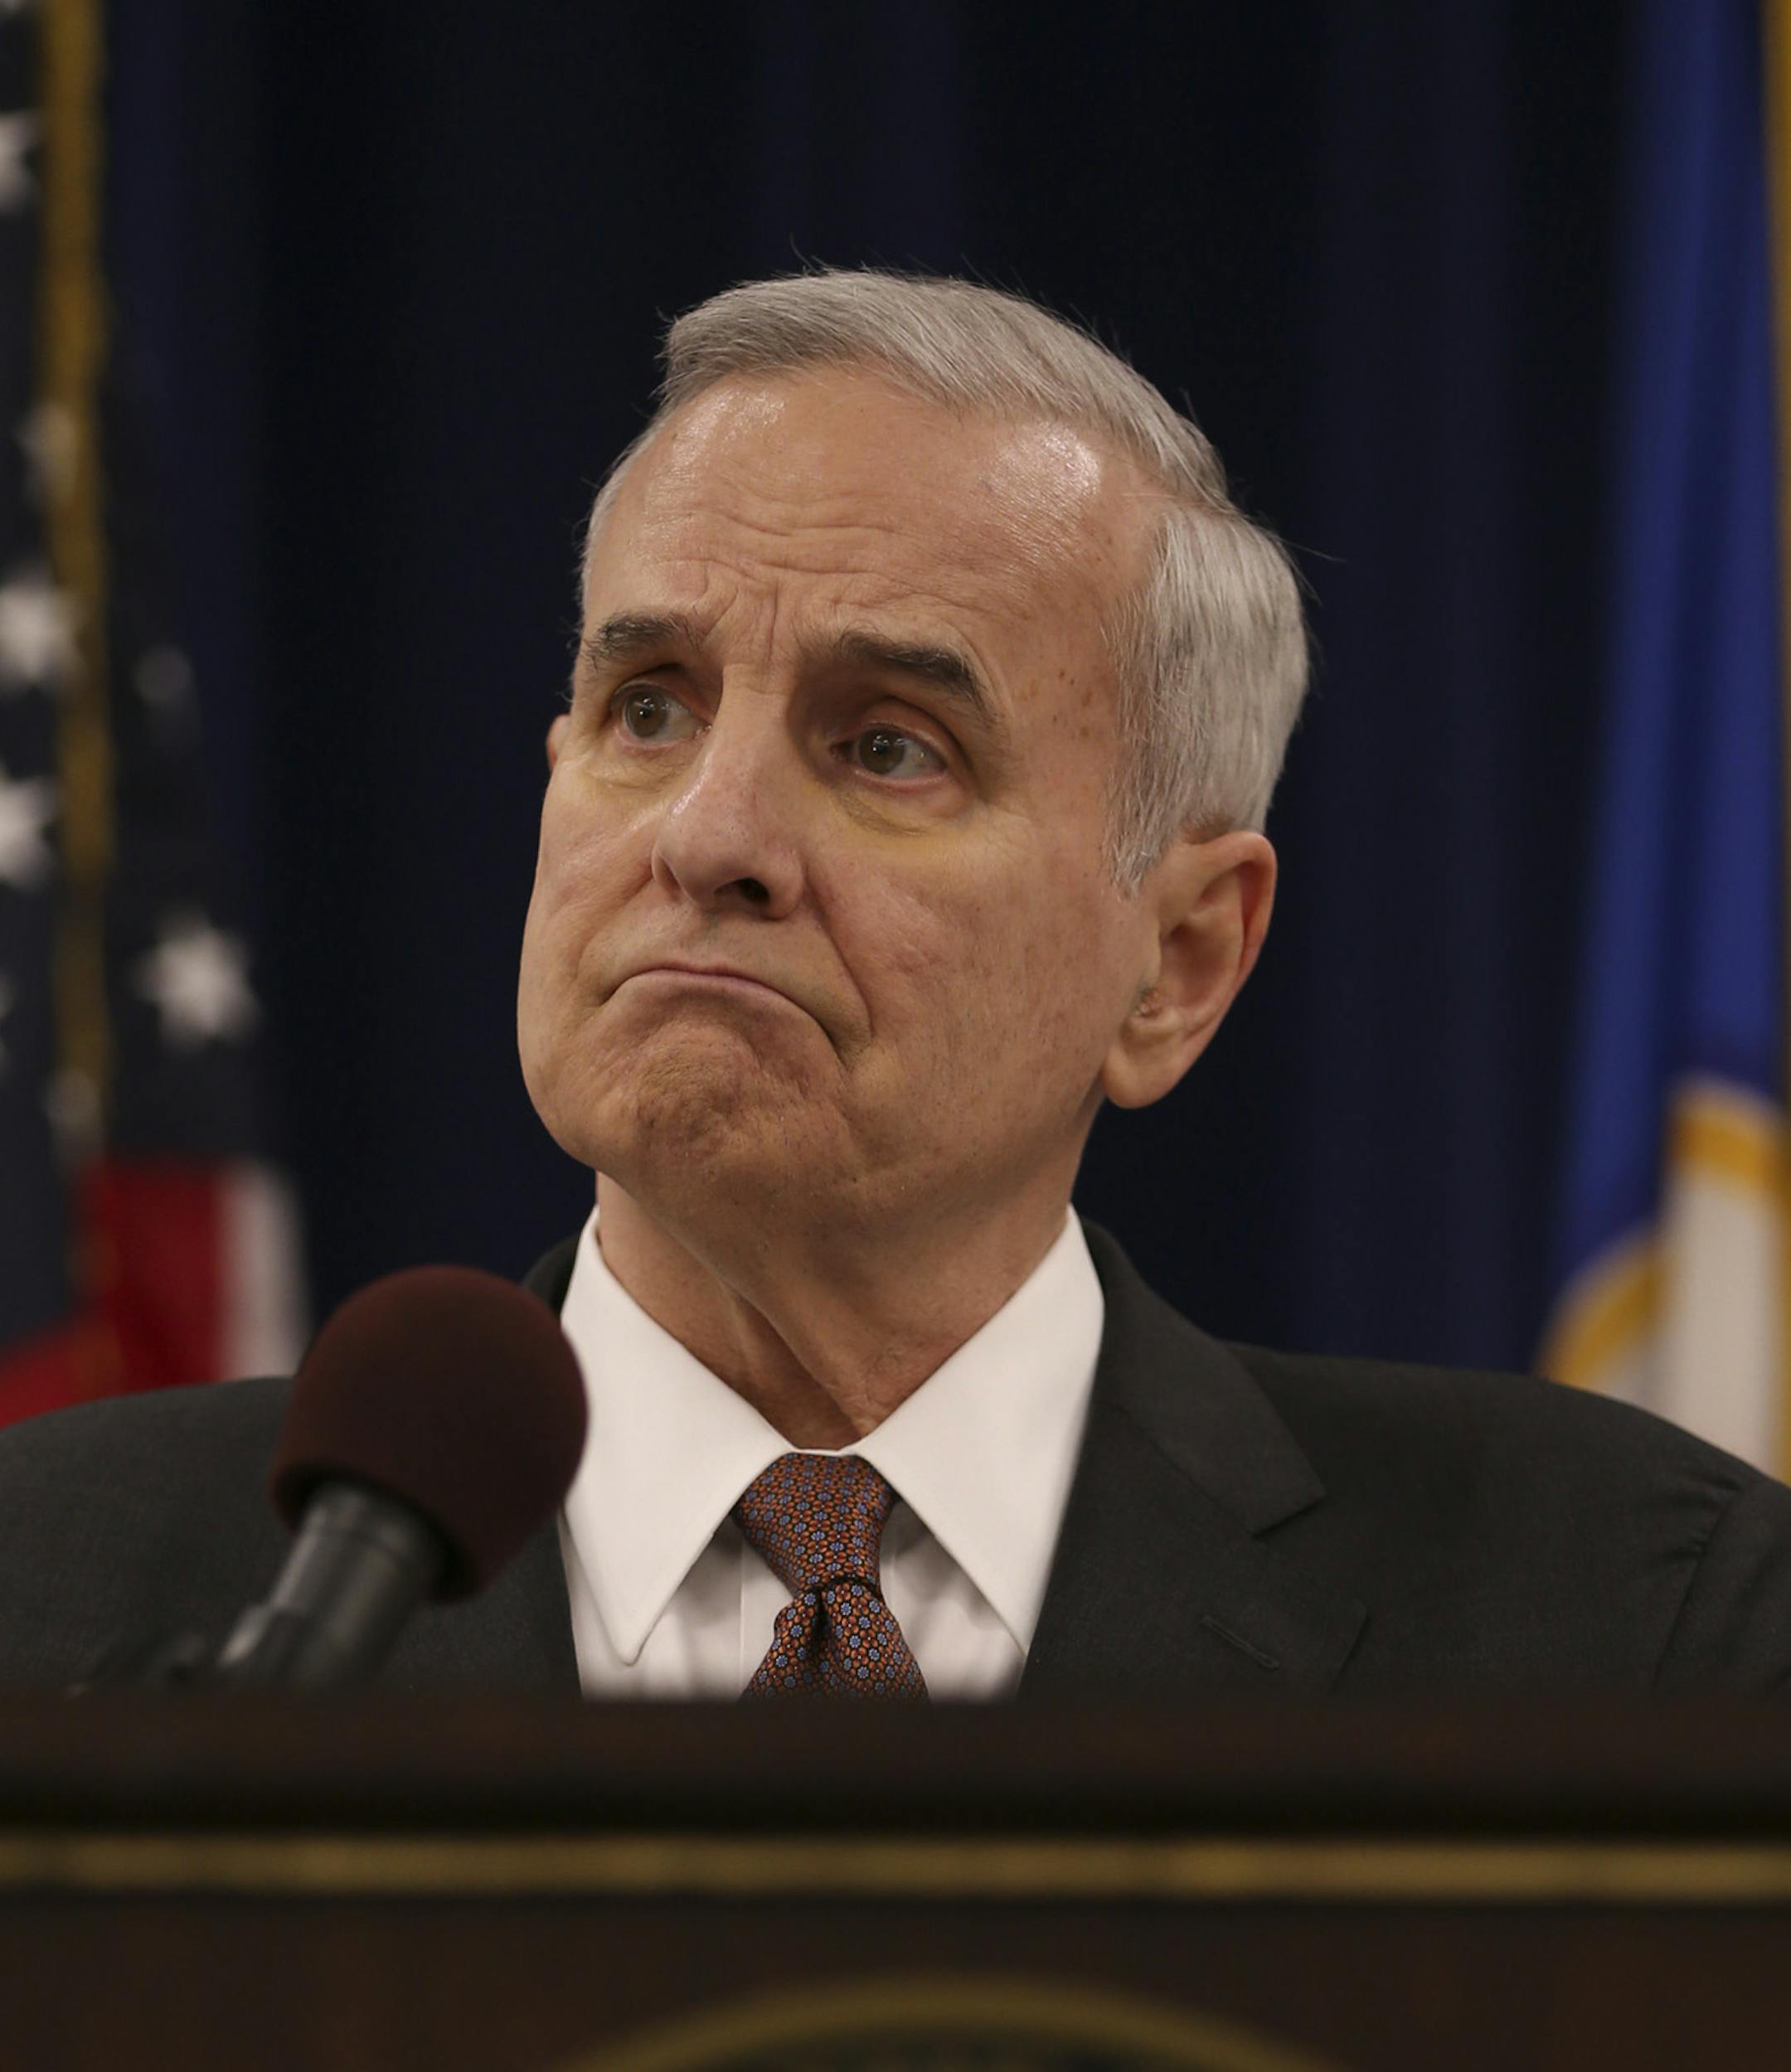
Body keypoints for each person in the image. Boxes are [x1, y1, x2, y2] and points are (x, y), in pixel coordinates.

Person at [2, 269, 1789, 1698]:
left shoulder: (1635, 1628)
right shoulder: (56, 1600)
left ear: (1178, 963)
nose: (711, 837)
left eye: (887, 745)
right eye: (649, 708)